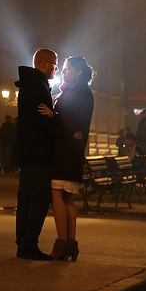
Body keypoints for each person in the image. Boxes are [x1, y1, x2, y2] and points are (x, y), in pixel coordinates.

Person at [39, 55, 94, 261]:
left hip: (65, 151)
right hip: (72, 149)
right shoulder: (80, 91)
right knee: (68, 198)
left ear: (79, 72)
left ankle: (62, 242)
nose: (64, 71)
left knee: (57, 194)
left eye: (68, 68)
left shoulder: (77, 92)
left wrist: (54, 115)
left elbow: (72, 118)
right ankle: (71, 242)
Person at [14, 47, 58, 261]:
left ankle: (22, 240)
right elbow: (42, 123)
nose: (56, 69)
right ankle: (29, 244)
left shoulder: (30, 85)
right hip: (38, 154)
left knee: (25, 199)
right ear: (43, 64)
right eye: (54, 65)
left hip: (27, 153)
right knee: (38, 199)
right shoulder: (39, 87)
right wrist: (58, 121)